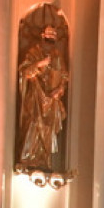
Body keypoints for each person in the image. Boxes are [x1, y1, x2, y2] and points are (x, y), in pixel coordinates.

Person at [17, 24, 69, 172]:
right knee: (33, 123)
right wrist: (40, 64)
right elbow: (24, 71)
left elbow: (64, 76)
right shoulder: (33, 52)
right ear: (42, 37)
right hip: (35, 95)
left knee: (47, 128)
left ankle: (43, 159)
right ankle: (29, 157)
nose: (50, 44)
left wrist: (60, 89)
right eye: (48, 39)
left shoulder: (57, 57)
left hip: (51, 99)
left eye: (53, 41)